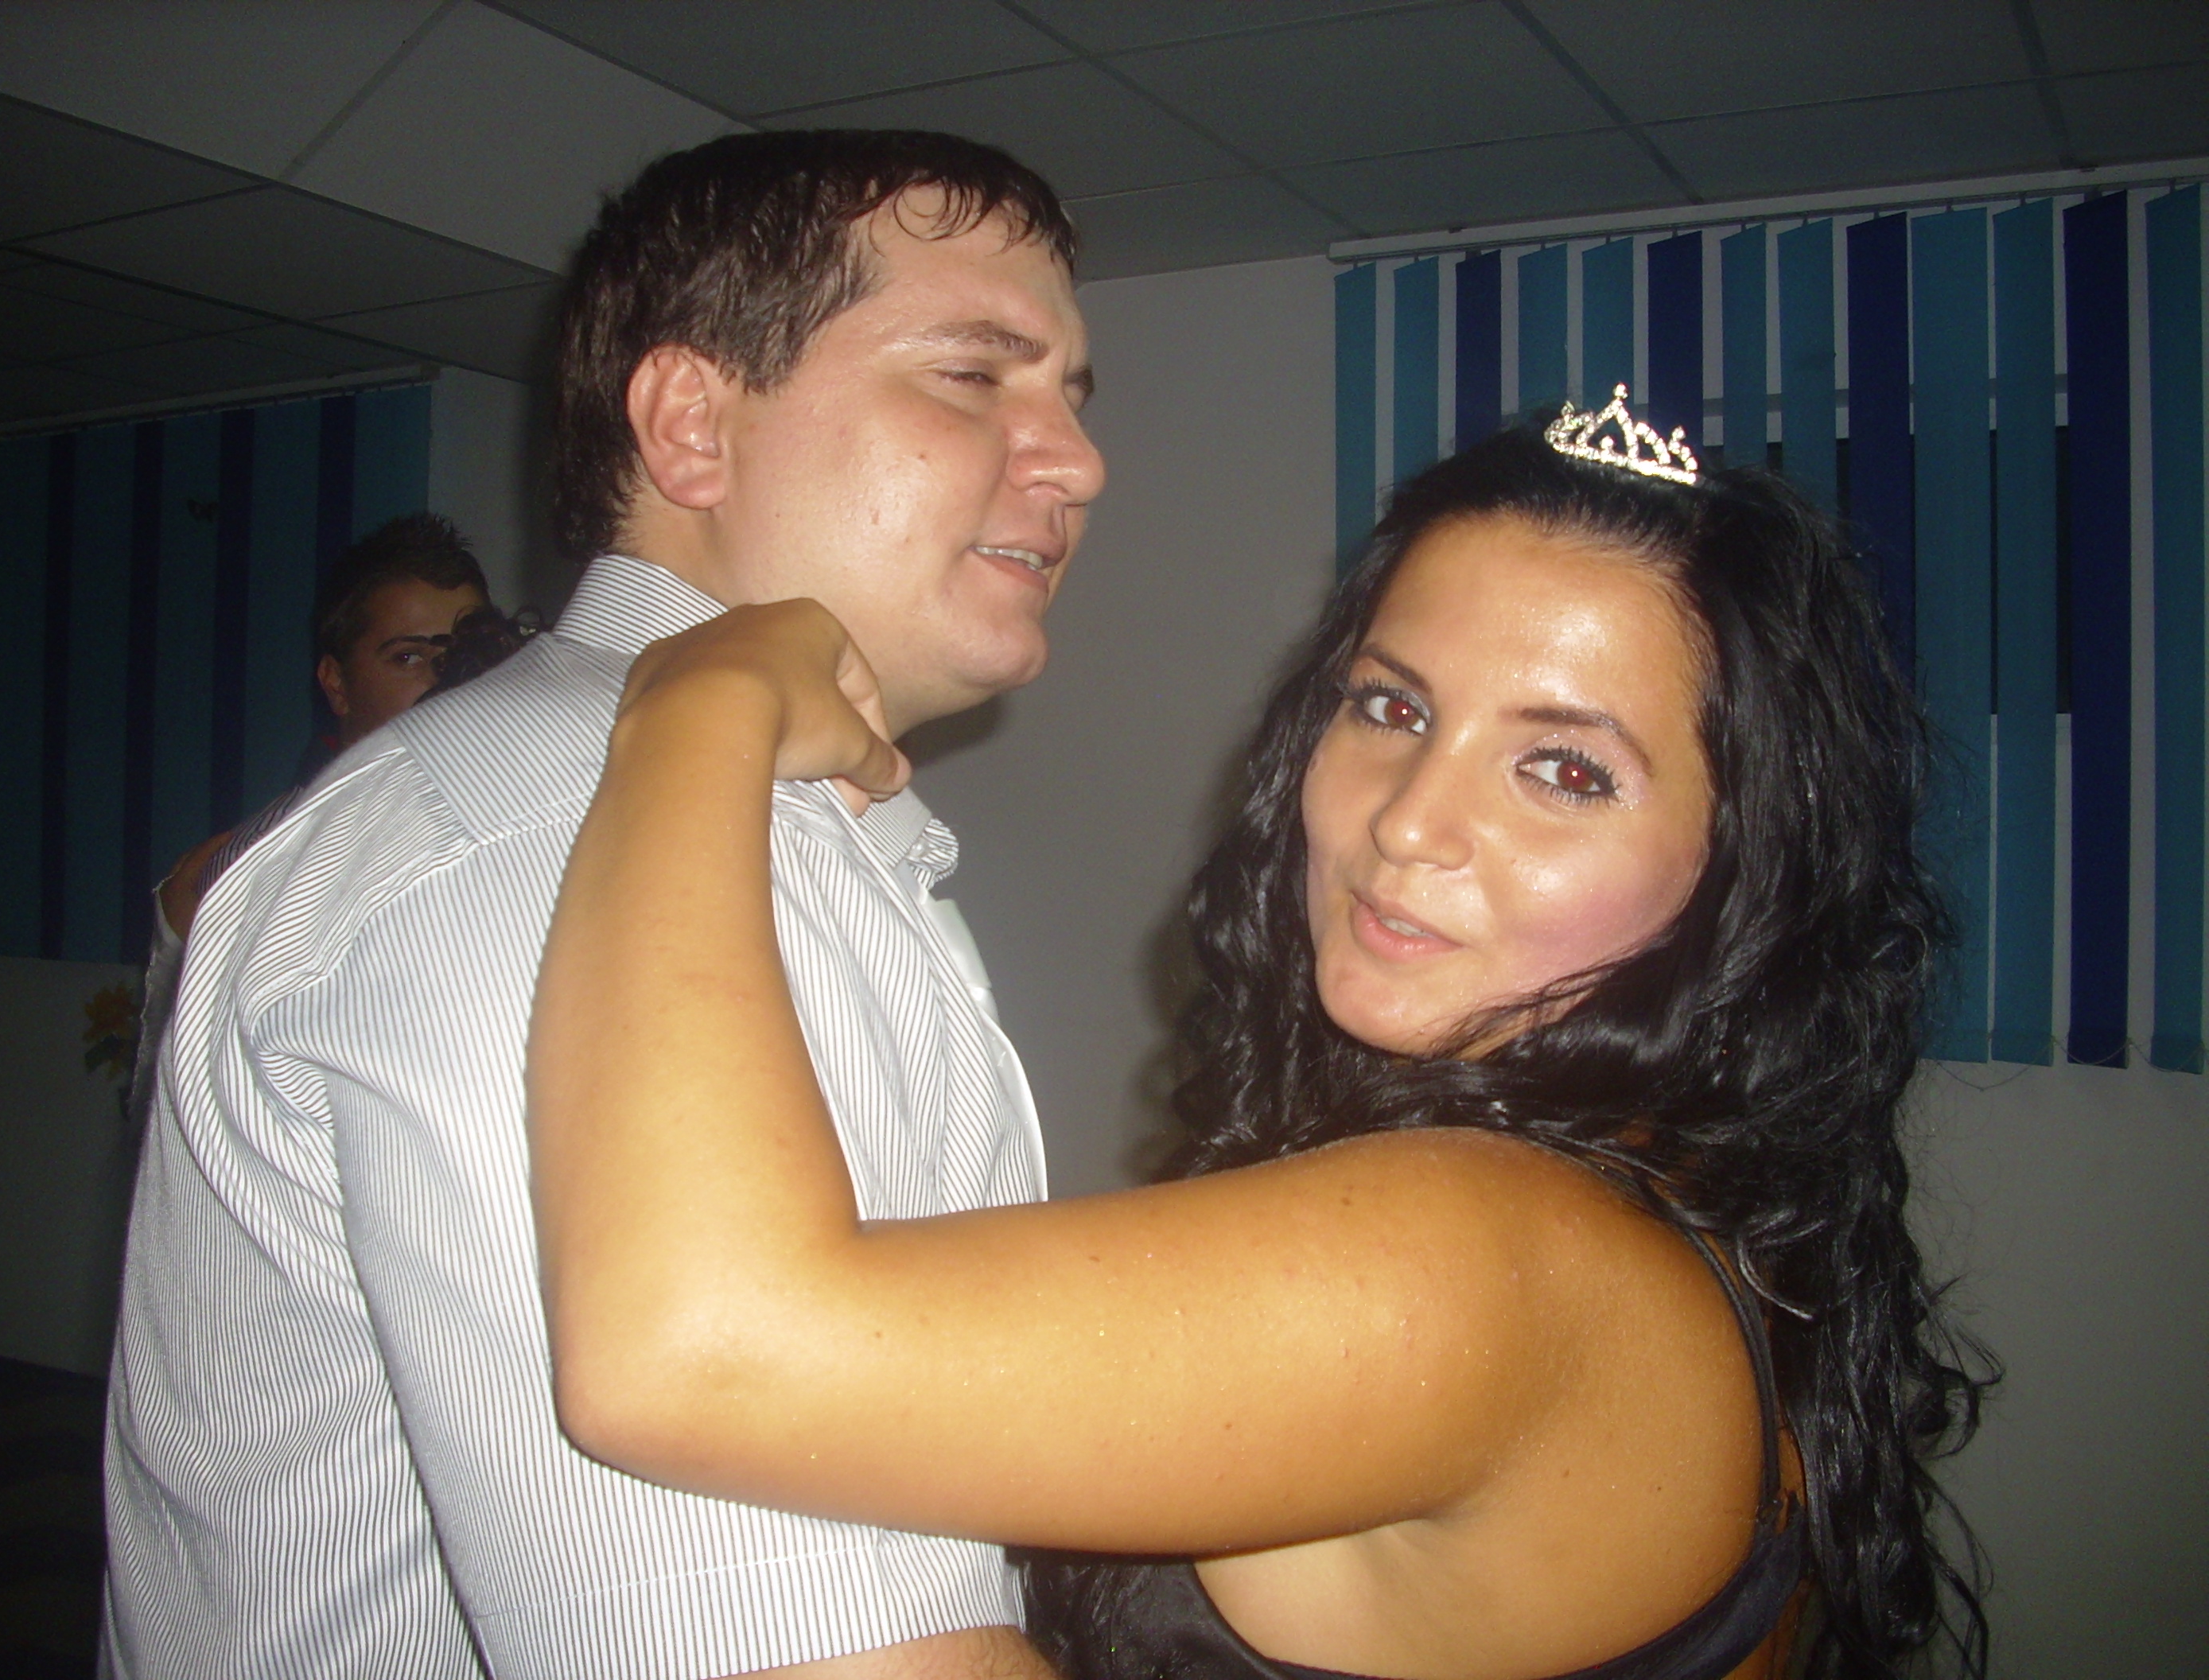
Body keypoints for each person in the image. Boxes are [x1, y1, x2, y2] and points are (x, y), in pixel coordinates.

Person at [527, 409, 1992, 1679]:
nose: (1409, 820)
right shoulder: (1664, 1211)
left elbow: (689, 1351)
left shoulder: (1488, 1256)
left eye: (1563, 768)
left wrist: (694, 704)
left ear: (1742, 864)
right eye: (1393, 706)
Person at [104, 130, 1100, 1680]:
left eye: (1073, 396)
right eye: (975, 375)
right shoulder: (543, 848)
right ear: (693, 426)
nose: (1077, 461)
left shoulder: (744, 817)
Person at [126, 513, 491, 1128]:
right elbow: (170, 1120)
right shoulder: (239, 872)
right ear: (337, 684)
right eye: (408, 657)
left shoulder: (533, 830)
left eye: (463, 652)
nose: (445, 679)